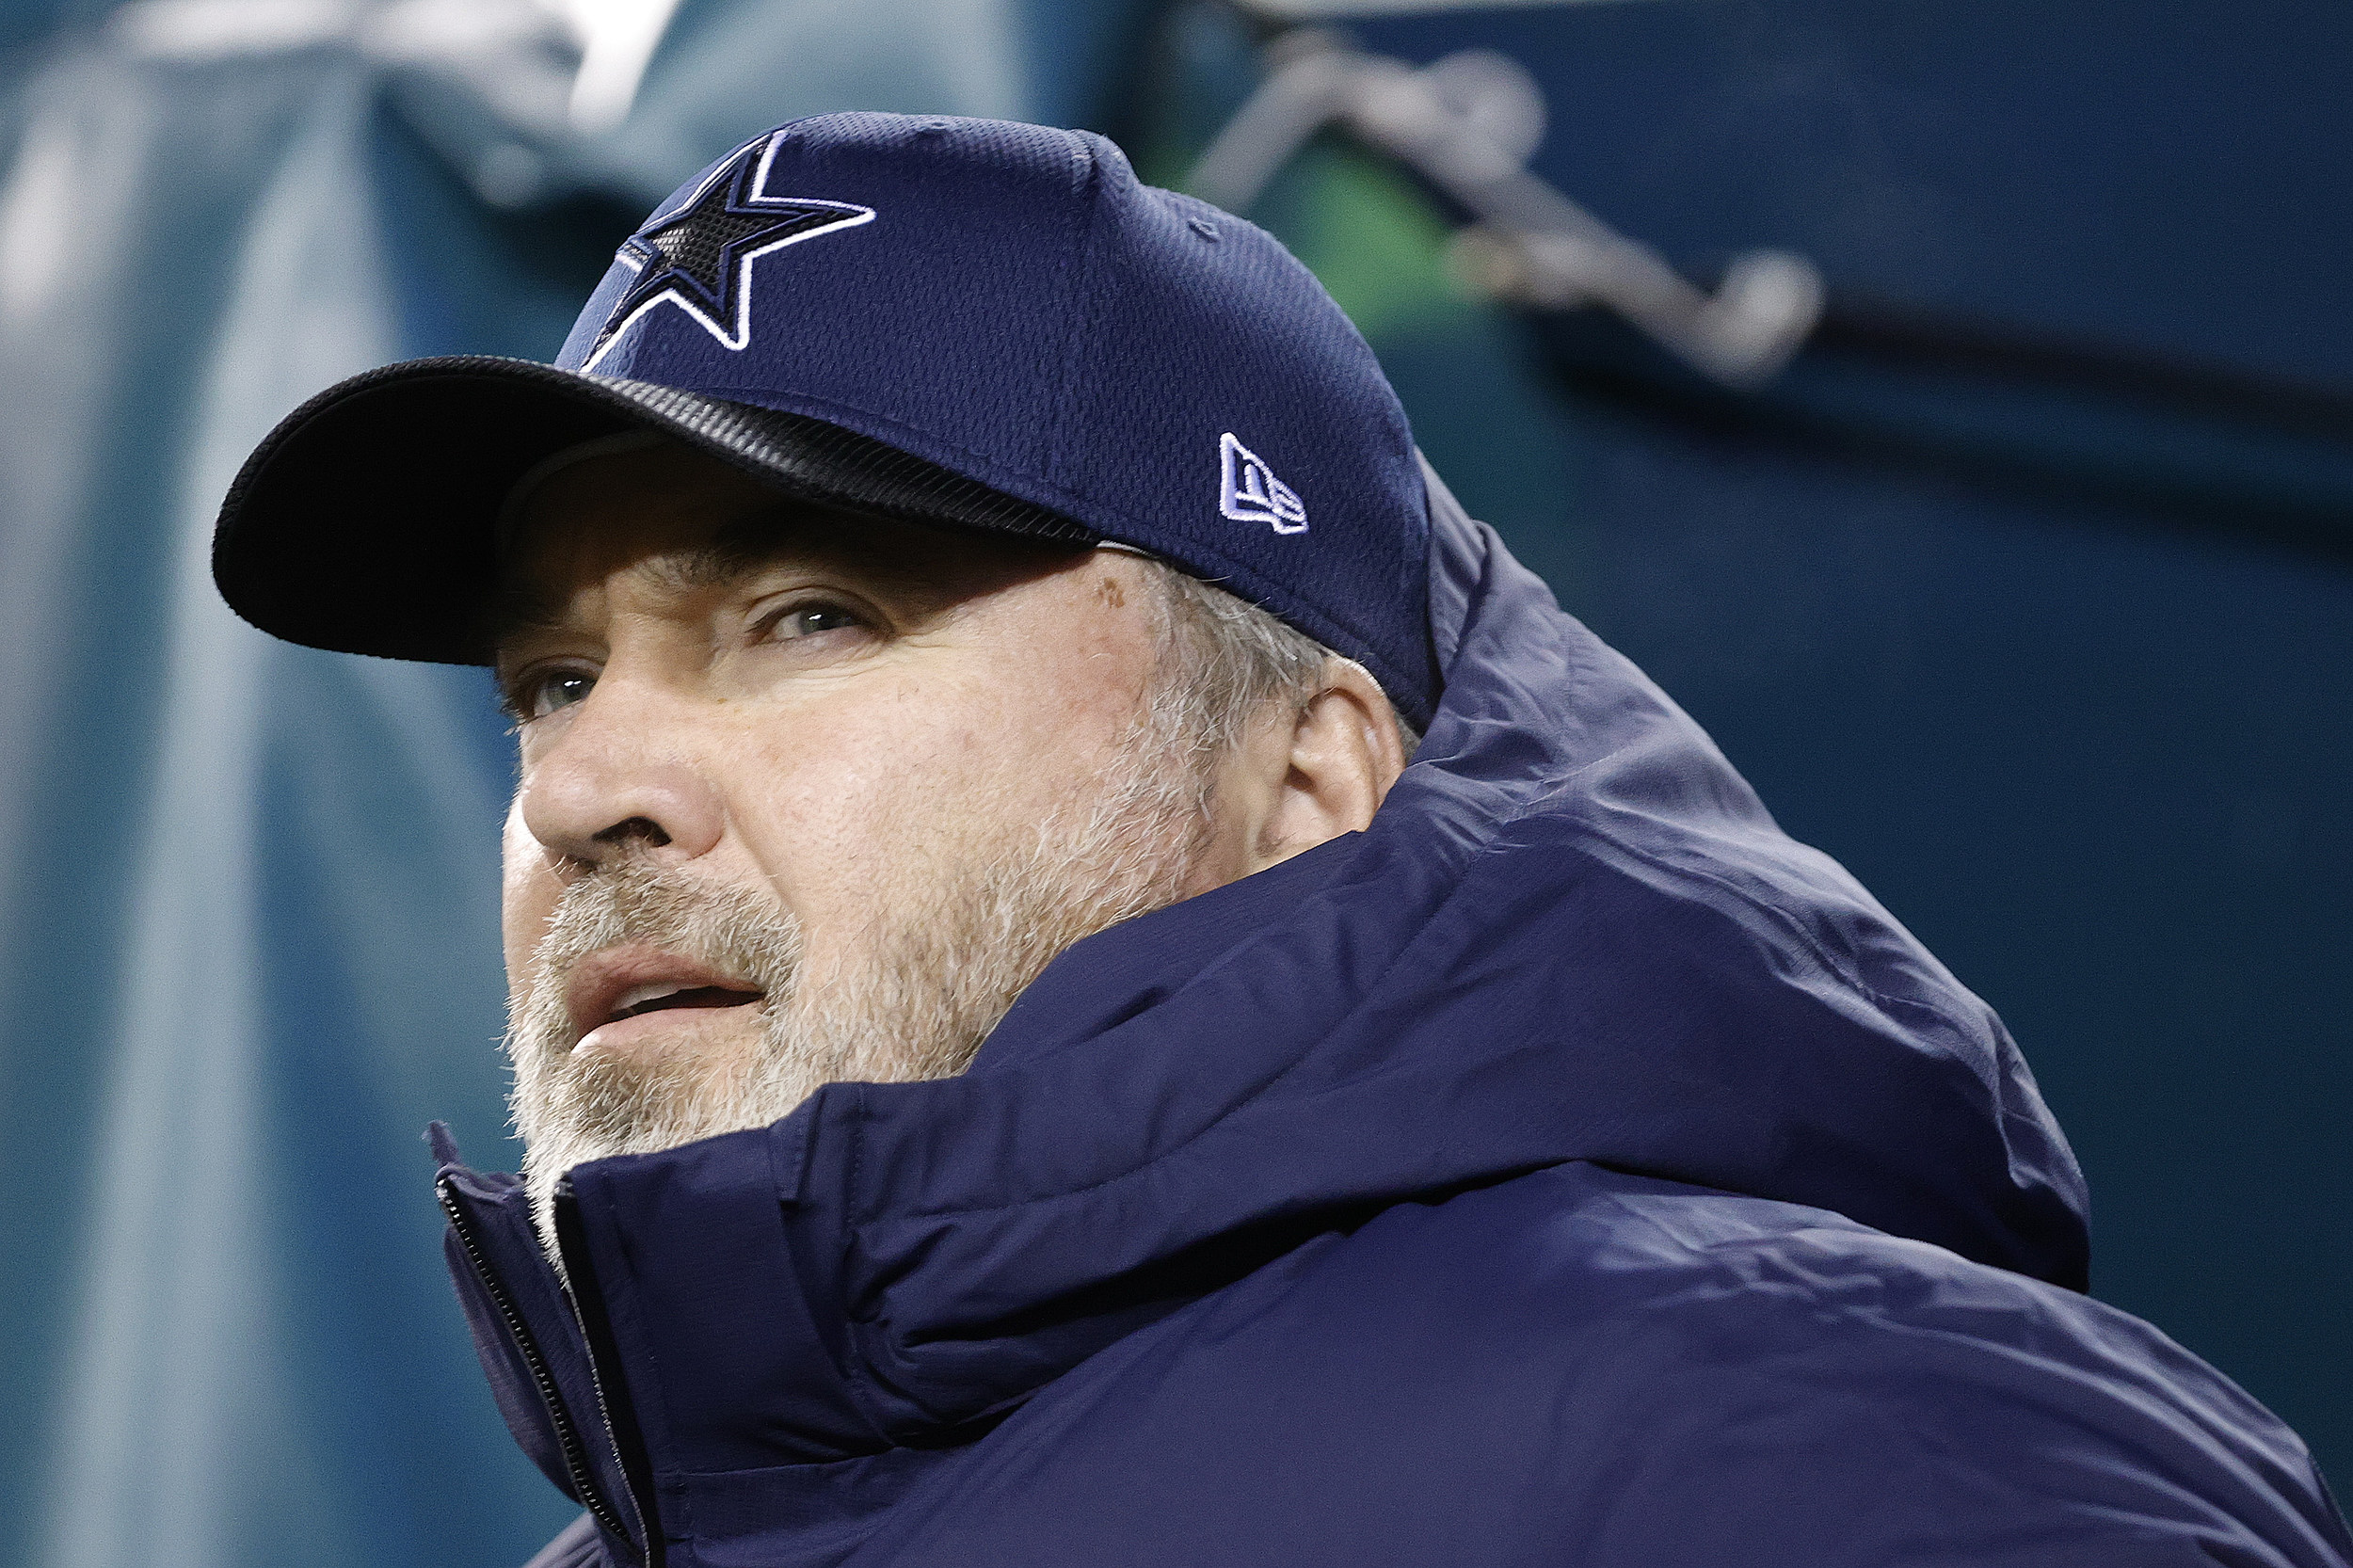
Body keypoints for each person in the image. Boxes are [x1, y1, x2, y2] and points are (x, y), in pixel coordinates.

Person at [211, 113, 2351, 1568]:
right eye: (554, 679)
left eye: (806, 612)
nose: (582, 788)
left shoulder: (1830, 1453)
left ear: (1308, 781)